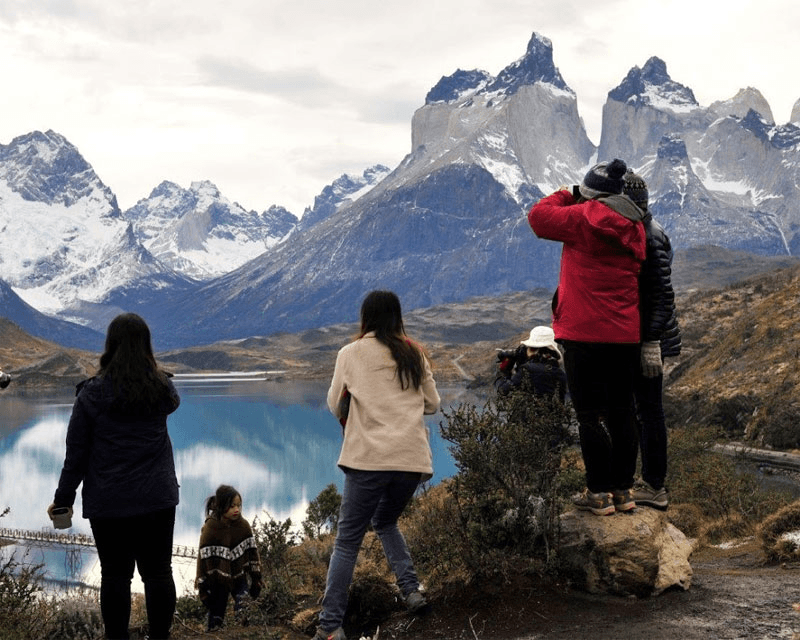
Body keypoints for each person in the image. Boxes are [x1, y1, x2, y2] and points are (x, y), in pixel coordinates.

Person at [316, 290, 440, 640]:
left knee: (347, 542)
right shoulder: (414, 353)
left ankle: (330, 626)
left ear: (365, 318)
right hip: (411, 461)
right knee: (385, 521)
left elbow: (332, 404)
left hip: (368, 460)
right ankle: (412, 590)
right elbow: (432, 403)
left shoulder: (349, 354)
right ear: (397, 317)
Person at [48, 313, 180, 640]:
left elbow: (75, 455)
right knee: (159, 573)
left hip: (110, 502)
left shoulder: (91, 394)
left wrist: (63, 500)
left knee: (116, 577)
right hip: (157, 498)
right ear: (146, 346)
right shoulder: (162, 388)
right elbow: (172, 400)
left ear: (110, 345)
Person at [528, 159, 647, 516]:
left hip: (583, 334)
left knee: (590, 416)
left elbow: (538, 216)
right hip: (625, 334)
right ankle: (623, 491)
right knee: (623, 412)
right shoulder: (635, 224)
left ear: (592, 194)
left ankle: (597, 493)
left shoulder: (583, 218)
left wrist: (570, 192)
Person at [623, 170, 682, 510]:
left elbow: (661, 294)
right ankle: (645, 481)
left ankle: (654, 485)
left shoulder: (648, 234)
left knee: (648, 410)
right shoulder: (649, 229)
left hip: (648, 337)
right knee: (643, 410)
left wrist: (650, 341)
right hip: (649, 334)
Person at [196, 484, 262, 631]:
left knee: (244, 607)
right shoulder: (210, 528)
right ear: (221, 506)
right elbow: (202, 559)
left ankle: (243, 632)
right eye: (232, 506)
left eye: (239, 505)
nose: (236, 510)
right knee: (216, 614)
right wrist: (202, 586)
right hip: (217, 580)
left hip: (239, 576)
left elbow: (252, 552)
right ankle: (213, 632)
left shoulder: (243, 526)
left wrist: (256, 578)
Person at [495, 325, 567, 403]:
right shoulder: (560, 374)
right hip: (553, 414)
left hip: (527, 414)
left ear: (533, 349)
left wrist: (503, 371)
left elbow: (503, 390)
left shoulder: (528, 369)